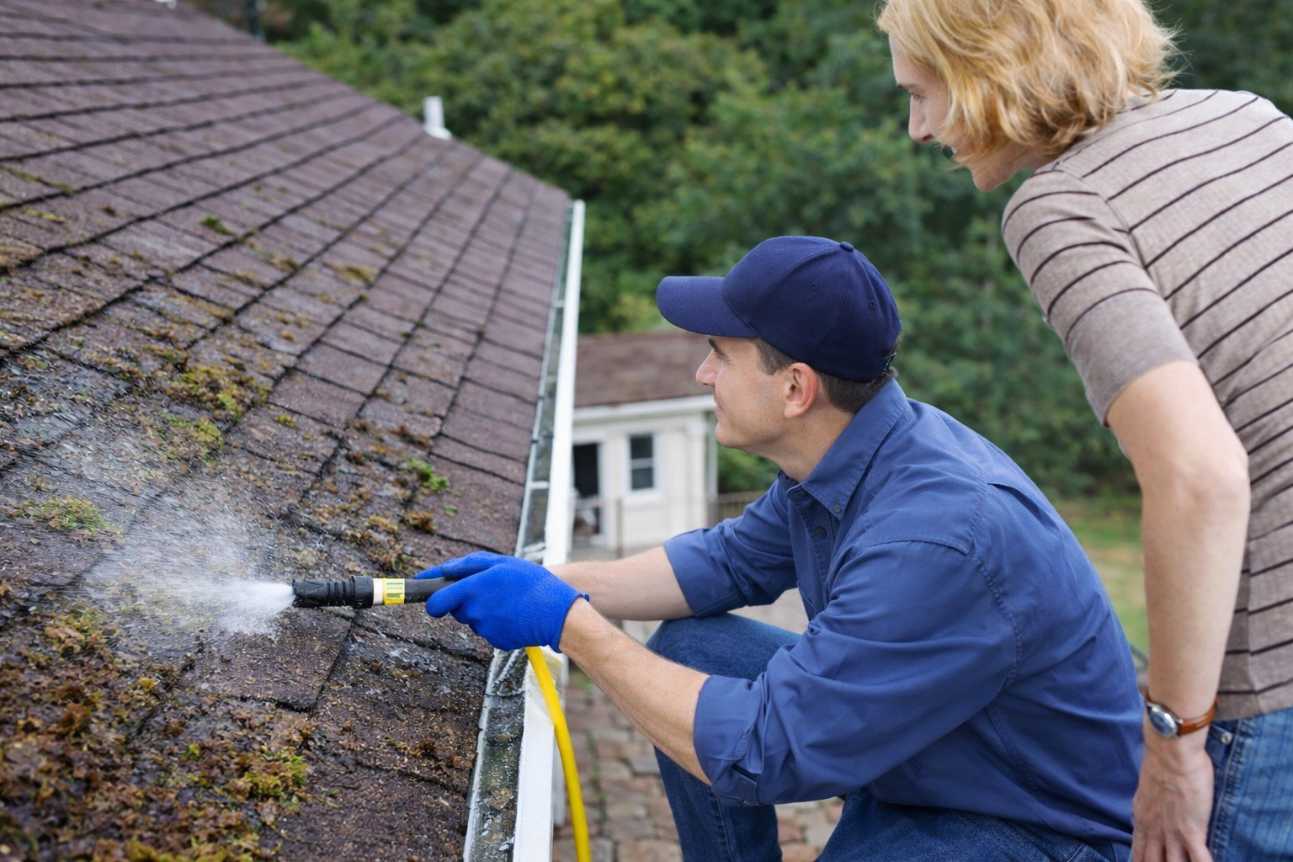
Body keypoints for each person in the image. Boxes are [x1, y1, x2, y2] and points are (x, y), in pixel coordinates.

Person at [419, 235, 1143, 860]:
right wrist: (545, 579)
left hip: (1029, 819)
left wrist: (571, 626)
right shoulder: (851, 451)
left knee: (733, 730)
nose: (701, 375)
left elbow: (769, 752)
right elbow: (724, 562)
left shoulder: (936, 536)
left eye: (718, 355)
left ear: (795, 387)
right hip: (932, 752)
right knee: (693, 646)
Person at [875, 2, 1293, 859]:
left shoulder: (1060, 206)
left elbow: (1198, 476)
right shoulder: (1249, 116)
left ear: (991, 73)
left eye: (923, 95)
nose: (917, 130)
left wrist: (1174, 745)